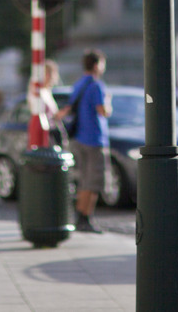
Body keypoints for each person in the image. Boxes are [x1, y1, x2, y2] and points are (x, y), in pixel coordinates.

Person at [58, 49, 111, 234]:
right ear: (97, 65)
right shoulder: (97, 85)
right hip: (94, 139)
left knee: (83, 180)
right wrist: (109, 103)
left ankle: (80, 217)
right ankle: (86, 218)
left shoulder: (79, 84)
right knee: (93, 180)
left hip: (79, 138)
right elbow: (103, 111)